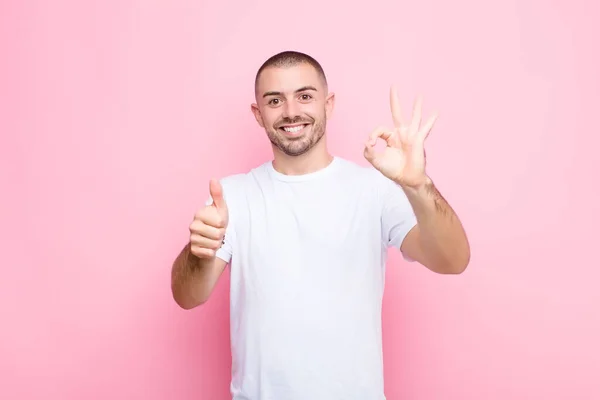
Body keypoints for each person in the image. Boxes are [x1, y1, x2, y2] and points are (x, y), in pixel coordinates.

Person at [170, 50, 470, 400]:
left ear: (328, 104)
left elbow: (453, 260)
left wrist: (419, 186)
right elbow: (187, 297)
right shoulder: (231, 197)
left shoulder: (374, 190)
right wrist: (201, 251)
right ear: (258, 114)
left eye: (305, 96)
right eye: (274, 100)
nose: (291, 111)